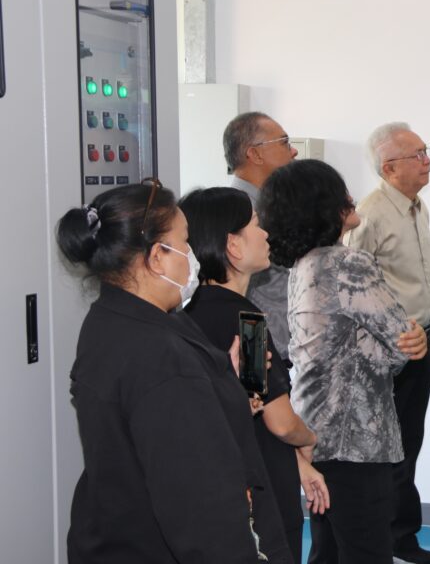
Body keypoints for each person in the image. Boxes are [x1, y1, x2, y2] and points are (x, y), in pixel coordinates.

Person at [57, 179, 293, 563]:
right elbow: (202, 510)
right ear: (157, 257)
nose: (192, 256)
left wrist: (224, 384)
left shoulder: (112, 318)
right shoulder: (161, 359)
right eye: (184, 244)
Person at [259, 159, 429, 564]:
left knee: (329, 550)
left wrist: (395, 341)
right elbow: (400, 342)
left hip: (316, 430)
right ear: (322, 205)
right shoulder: (347, 264)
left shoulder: (303, 265)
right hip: (356, 440)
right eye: (341, 191)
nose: (351, 197)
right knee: (366, 551)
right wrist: (411, 339)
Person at [180, 187, 331, 563]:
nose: (266, 234)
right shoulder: (247, 324)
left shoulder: (186, 316)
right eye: (257, 225)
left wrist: (298, 462)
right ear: (233, 245)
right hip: (261, 485)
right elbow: (280, 422)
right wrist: (308, 440)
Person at [342, 122, 430, 564]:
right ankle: (388, 543)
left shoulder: (417, 207)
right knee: (391, 449)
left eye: (425, 150)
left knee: (410, 442)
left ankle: (403, 539)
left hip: (422, 342)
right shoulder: (370, 215)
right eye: (417, 154)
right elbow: (351, 285)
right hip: (389, 350)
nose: (427, 160)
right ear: (389, 167)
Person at [223, 111, 298, 360]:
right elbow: (239, 294)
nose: (294, 151)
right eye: (284, 143)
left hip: (284, 348)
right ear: (255, 154)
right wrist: (254, 359)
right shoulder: (240, 212)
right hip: (263, 350)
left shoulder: (272, 205)